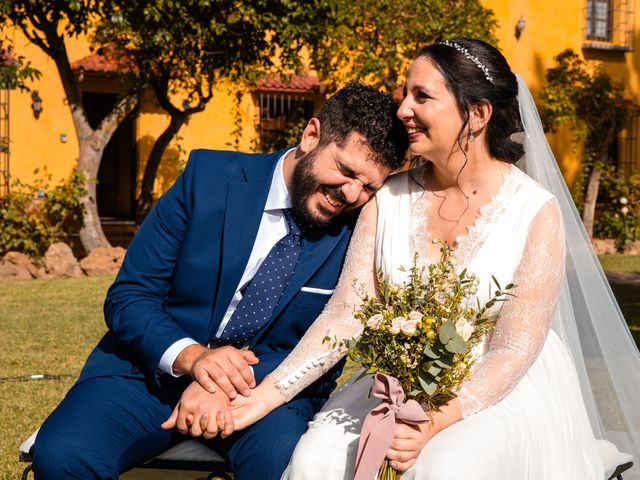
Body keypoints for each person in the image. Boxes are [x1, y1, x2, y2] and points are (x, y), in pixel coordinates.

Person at [215, 39, 640, 479]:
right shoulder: (388, 198)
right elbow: (346, 314)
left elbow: (514, 347)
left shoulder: (534, 211)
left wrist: (434, 421)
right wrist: (268, 395)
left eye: (422, 96)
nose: (402, 109)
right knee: (314, 461)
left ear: (476, 114)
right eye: (405, 93)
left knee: (444, 467)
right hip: (395, 380)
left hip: (498, 388)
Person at [30, 82, 409, 480]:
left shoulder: (360, 231)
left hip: (268, 397)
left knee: (285, 467)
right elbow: (131, 296)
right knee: (62, 455)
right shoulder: (206, 177)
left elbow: (326, 349)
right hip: (147, 376)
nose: (350, 194)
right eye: (345, 170)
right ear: (311, 135)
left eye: (368, 186)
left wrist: (220, 386)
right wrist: (194, 359)